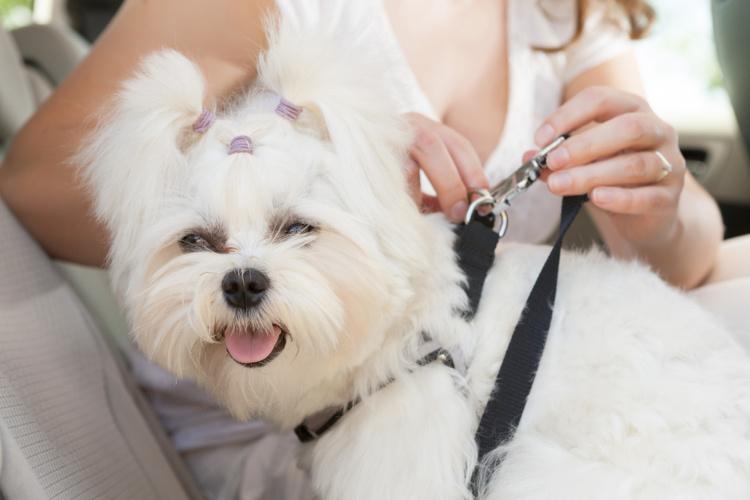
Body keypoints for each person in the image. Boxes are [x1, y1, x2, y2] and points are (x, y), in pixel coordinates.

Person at [0, 0, 747, 498]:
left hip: (480, 389)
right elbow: (34, 183)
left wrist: (657, 203)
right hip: (285, 431)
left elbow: (685, 259)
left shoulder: (565, 16)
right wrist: (330, 162)